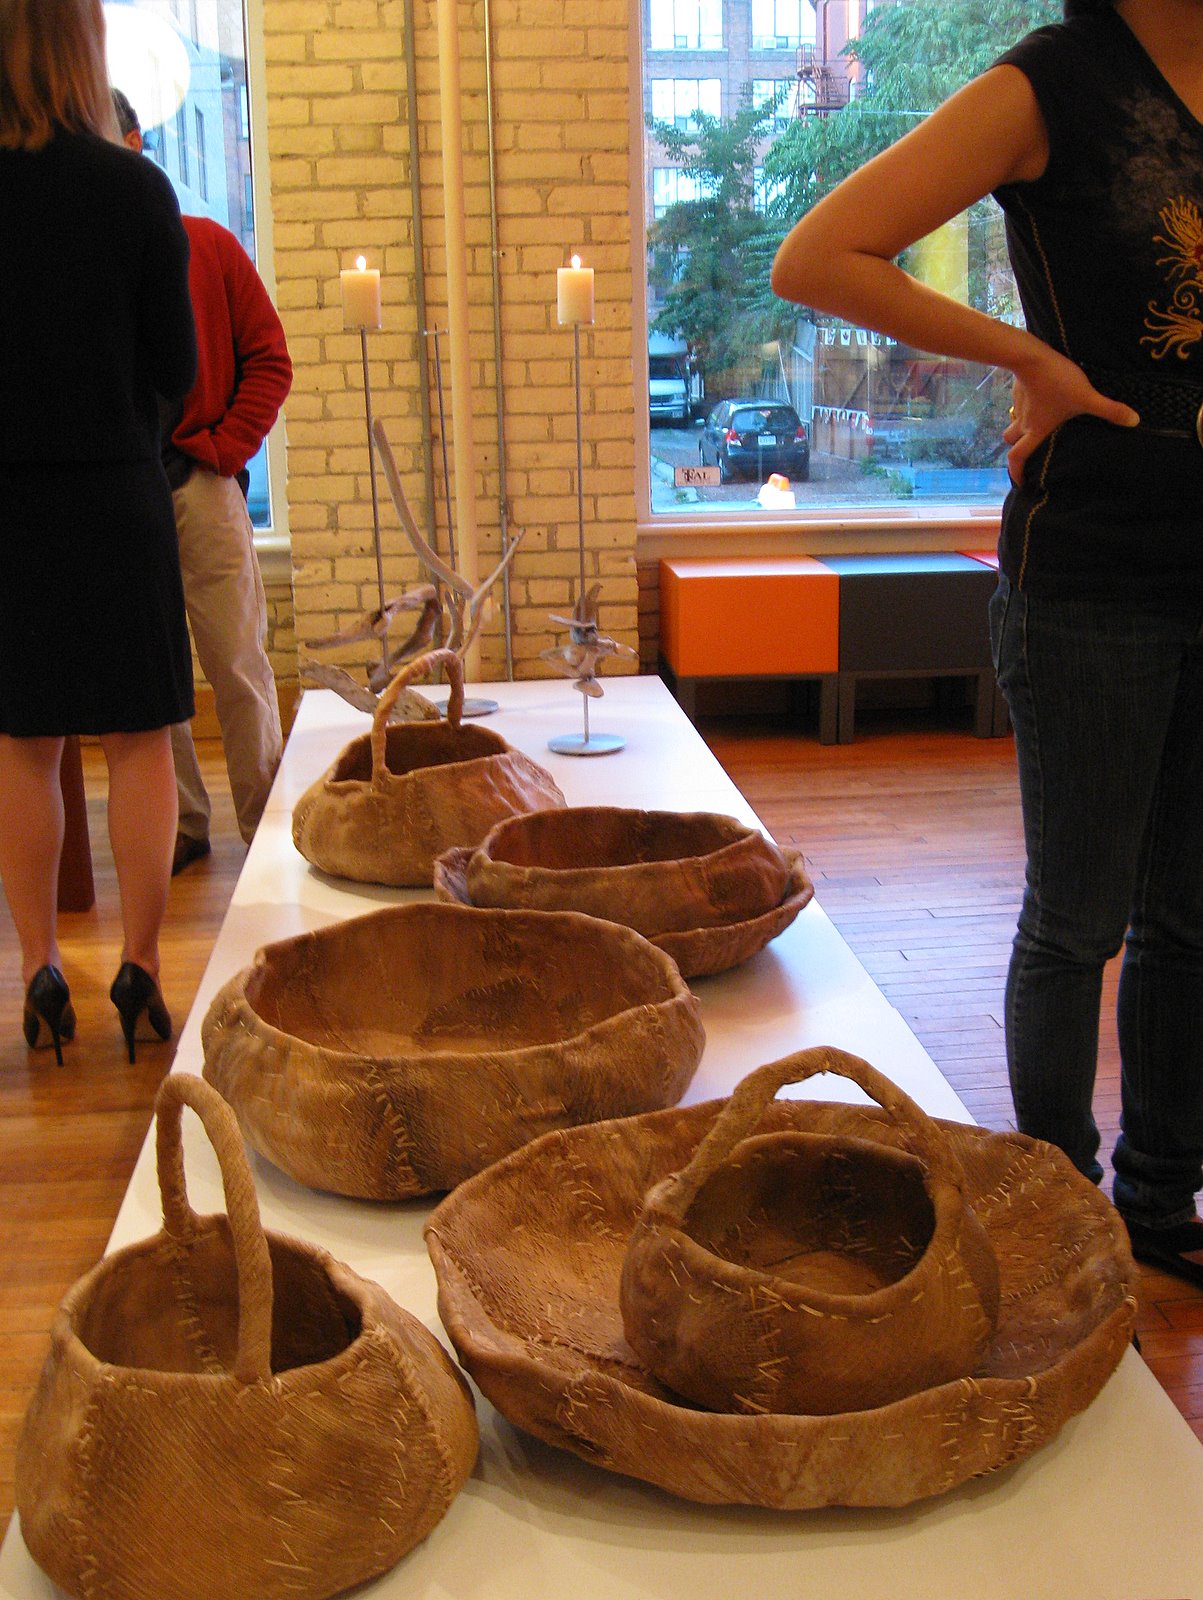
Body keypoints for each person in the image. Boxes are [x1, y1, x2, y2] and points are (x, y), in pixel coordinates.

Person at [771, 0, 1203, 1285]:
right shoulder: (1055, 85)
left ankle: (1164, 1204)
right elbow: (820, 255)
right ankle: (1059, 1214)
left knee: (1192, 921)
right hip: (1094, 574)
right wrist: (1030, 359)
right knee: (1079, 919)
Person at [0, 0, 196, 1063]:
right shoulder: (134, 188)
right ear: (85, 49)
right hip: (116, 492)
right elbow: (180, 366)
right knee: (140, 740)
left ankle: (37, 963)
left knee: (23, 746)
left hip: (7, 503)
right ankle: (142, 965)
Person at [113, 92, 291, 874]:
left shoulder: (207, 247)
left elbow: (269, 360)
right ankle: (181, 825)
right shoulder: (76, 271)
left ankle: (266, 823)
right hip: (118, 497)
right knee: (147, 680)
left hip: (200, 486)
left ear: (135, 140)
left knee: (238, 665)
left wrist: (222, 450)